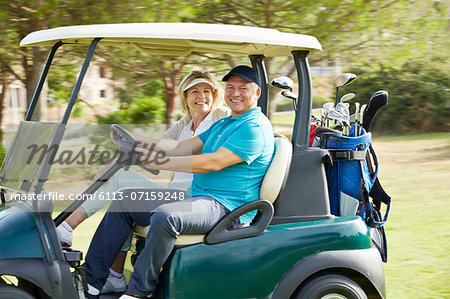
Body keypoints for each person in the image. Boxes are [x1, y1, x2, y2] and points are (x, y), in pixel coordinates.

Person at [83, 65, 274, 299]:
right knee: (126, 199)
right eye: (231, 87)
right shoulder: (224, 124)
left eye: (243, 89)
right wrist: (136, 142)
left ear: (256, 93)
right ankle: (92, 282)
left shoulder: (254, 127)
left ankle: (138, 292)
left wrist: (160, 163)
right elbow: (180, 147)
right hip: (197, 196)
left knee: (167, 216)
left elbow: (212, 162)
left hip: (226, 208)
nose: (235, 93)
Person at [58, 69, 229, 293]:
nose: (202, 96)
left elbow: (235, 132)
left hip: (196, 198)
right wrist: (118, 156)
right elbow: (155, 149)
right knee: (121, 184)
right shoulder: (183, 125)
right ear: (185, 97)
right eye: (195, 91)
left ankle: (67, 227)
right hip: (174, 192)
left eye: (207, 91)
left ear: (215, 95)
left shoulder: (220, 117)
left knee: (123, 187)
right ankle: (115, 274)